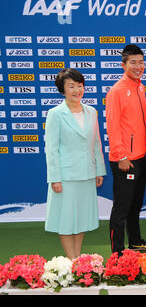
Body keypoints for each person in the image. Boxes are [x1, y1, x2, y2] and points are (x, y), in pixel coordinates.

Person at [45, 68, 106, 260]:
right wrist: (54, 178)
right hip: (65, 177)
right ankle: (71, 260)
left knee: (82, 219)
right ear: (62, 90)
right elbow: (52, 149)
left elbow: (96, 143)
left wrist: (99, 171)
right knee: (65, 220)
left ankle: (78, 258)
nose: (77, 90)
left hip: (87, 174)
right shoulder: (55, 114)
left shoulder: (91, 111)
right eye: (71, 86)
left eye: (80, 86)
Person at [106, 44, 146, 255]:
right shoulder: (117, 91)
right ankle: (117, 252)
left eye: (141, 62)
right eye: (133, 62)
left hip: (140, 157)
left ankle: (134, 242)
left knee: (135, 205)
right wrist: (122, 155)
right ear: (123, 64)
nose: (138, 66)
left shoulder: (140, 87)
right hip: (124, 159)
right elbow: (113, 127)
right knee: (122, 208)